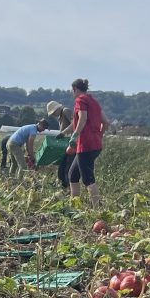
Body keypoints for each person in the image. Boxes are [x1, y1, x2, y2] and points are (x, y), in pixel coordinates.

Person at [57, 78, 107, 207]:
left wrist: (75, 135)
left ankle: (97, 209)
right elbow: (105, 122)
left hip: (86, 145)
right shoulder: (94, 102)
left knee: (88, 179)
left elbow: (82, 118)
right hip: (95, 145)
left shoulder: (80, 100)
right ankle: (75, 206)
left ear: (75, 89)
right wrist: (99, 136)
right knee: (73, 175)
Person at [46, 100, 74, 191]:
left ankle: (69, 190)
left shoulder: (66, 111)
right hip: (66, 144)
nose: (53, 115)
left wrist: (63, 133)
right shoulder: (60, 116)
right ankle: (64, 188)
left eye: (53, 113)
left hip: (72, 144)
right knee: (61, 170)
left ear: (57, 109)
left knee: (67, 169)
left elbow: (75, 124)